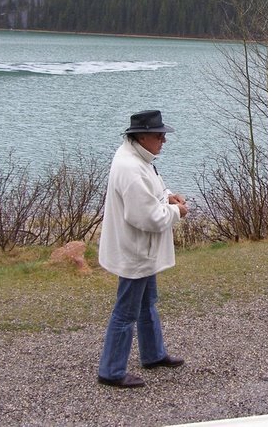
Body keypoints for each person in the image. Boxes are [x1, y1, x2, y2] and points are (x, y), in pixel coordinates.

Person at [97, 110, 189, 388]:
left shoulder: (137, 158)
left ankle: (153, 354)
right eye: (159, 135)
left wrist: (167, 195)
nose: (164, 140)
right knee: (126, 311)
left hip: (141, 251)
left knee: (147, 303)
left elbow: (152, 190)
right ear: (142, 136)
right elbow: (146, 216)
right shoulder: (130, 167)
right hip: (135, 250)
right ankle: (111, 371)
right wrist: (177, 211)